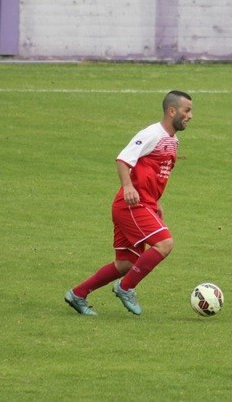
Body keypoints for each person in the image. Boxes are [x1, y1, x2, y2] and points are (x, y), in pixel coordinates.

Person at [64, 90, 193, 316]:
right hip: (131, 204)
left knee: (126, 263)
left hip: (143, 203)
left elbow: (156, 174)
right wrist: (127, 186)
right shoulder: (152, 134)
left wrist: (157, 202)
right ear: (172, 111)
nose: (190, 116)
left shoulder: (173, 141)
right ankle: (126, 287)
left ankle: (78, 294)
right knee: (165, 244)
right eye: (187, 110)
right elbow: (123, 159)